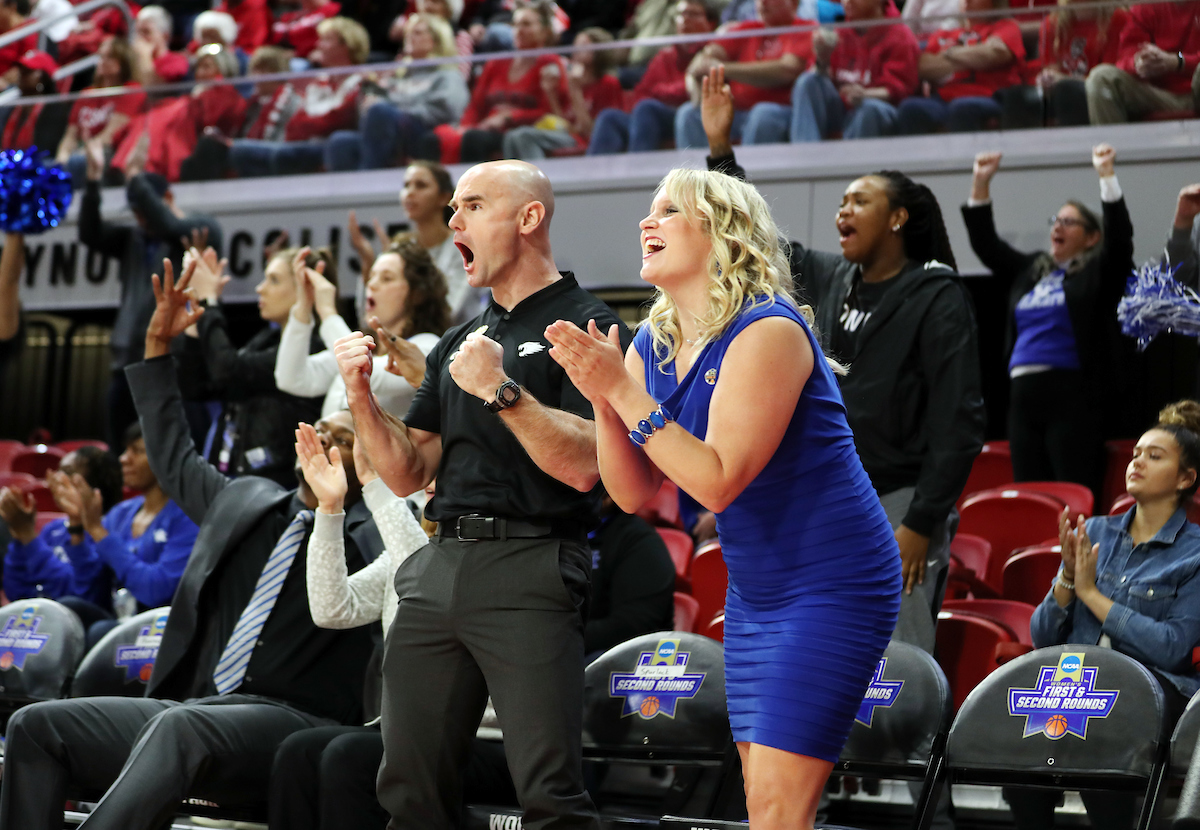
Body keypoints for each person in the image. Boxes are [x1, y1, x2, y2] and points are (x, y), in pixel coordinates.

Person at [544, 166, 901, 830]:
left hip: (835, 579)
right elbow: (629, 493)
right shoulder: (653, 342)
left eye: (668, 211)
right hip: (758, 589)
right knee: (763, 795)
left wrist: (621, 394)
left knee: (777, 805)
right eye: (648, 211)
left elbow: (715, 481)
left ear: (720, 232)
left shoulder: (769, 329)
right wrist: (602, 395)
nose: (647, 222)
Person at [0, 260, 383, 830]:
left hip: (298, 720)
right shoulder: (247, 503)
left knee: (180, 727)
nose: (325, 437)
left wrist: (374, 486)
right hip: (194, 709)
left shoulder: (374, 535)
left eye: (346, 436)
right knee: (34, 726)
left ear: (374, 458)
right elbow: (173, 455)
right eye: (321, 428)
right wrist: (157, 347)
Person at [333, 159, 629, 829]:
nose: (453, 220)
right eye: (453, 208)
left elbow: (590, 465)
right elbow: (409, 471)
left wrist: (501, 392)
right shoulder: (465, 340)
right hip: (441, 564)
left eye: (472, 206)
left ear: (529, 218)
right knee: (407, 787)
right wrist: (360, 399)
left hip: (531, 561)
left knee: (550, 796)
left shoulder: (590, 327)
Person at [701, 68, 985, 656]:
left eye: (860, 200)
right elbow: (755, 239)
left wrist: (921, 521)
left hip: (898, 500)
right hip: (821, 492)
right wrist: (722, 153)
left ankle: (899, 753)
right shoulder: (831, 278)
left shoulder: (937, 294)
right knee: (824, 648)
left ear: (898, 218)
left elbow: (959, 419)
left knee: (895, 655)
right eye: (840, 202)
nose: (843, 211)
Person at [1009, 400, 1200, 830]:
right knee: (1020, 762)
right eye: (1136, 454)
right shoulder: (1094, 532)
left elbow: (1172, 649)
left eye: (1155, 456)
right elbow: (1043, 636)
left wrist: (1092, 594)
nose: (1138, 462)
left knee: (1104, 747)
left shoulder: (1196, 553)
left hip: (1150, 686)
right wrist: (1068, 579)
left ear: (1186, 478)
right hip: (1075, 681)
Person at [962, 145, 1132, 498]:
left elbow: (1119, 241)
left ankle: (1078, 556)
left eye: (1069, 222)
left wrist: (1106, 177)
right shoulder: (1032, 270)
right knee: (1032, 495)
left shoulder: (1095, 272)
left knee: (1073, 493)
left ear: (1090, 237)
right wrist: (980, 182)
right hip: (1022, 397)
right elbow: (987, 245)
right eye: (1056, 220)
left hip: (1072, 396)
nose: (1058, 226)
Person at [79, 153, 223, 451]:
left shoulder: (199, 229)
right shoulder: (134, 239)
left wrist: (134, 178)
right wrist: (93, 183)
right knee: (121, 454)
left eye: (145, 210)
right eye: (136, 212)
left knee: (170, 449)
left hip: (172, 366)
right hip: (126, 364)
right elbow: (90, 233)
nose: (141, 219)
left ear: (167, 198)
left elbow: (168, 224)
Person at [174, 246, 325, 488]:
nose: (260, 288)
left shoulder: (312, 349)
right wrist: (197, 313)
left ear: (304, 290)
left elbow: (228, 370)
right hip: (236, 483)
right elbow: (196, 387)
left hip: (277, 490)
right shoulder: (265, 340)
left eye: (273, 280)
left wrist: (209, 302)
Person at [53, 422, 200, 647]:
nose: (123, 458)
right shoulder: (121, 513)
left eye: (137, 451)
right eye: (125, 450)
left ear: (166, 457)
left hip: (162, 629)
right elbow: (90, 593)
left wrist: (98, 531)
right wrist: (76, 527)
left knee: (102, 631)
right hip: (118, 620)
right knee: (67, 610)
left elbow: (155, 591)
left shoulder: (187, 518)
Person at [274, 237, 449, 417]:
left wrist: (327, 311)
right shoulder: (361, 345)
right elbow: (291, 378)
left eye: (386, 278)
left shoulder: (428, 346)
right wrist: (304, 305)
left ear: (417, 294)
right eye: (371, 277)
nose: (371, 285)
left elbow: (364, 370)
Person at [418, 1, 567, 164]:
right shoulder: (496, 63)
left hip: (519, 132)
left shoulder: (550, 63)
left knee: (475, 139)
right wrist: (466, 126)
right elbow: (476, 105)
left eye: (526, 24)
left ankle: (475, 188)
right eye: (515, 24)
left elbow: (549, 112)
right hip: (485, 127)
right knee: (432, 139)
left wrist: (509, 117)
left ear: (545, 31)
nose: (519, 30)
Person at [324, 12, 469, 171]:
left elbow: (446, 111)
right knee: (340, 141)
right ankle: (348, 193)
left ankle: (370, 180)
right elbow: (372, 113)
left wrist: (395, 110)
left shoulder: (447, 75)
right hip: (387, 131)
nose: (409, 36)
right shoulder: (397, 75)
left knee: (381, 112)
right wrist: (371, 94)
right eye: (408, 32)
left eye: (417, 32)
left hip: (425, 132)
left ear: (436, 39)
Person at [229, 16, 370, 178]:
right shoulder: (317, 83)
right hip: (303, 144)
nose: (318, 45)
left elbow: (339, 120)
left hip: (331, 146)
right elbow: (295, 124)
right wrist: (313, 124)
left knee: (281, 157)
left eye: (326, 40)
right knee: (239, 152)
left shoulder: (362, 82)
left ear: (347, 46)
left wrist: (311, 123)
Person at [348, 161, 481, 324]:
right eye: (406, 185)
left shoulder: (463, 246)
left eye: (421, 185)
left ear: (444, 197)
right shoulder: (399, 249)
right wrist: (369, 264)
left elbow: (449, 313)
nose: (410, 192)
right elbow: (370, 319)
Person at [673, 0, 813, 149]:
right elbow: (702, 61)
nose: (763, 3)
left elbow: (787, 69)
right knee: (689, 113)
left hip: (780, 111)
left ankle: (751, 172)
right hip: (735, 113)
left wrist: (723, 68)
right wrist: (698, 96)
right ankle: (699, 173)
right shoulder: (747, 28)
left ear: (794, 3)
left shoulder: (803, 28)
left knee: (763, 114)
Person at [587, 0, 720, 156]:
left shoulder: (714, 51)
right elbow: (641, 92)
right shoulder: (665, 55)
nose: (685, 19)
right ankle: (593, 178)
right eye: (681, 14)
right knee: (609, 117)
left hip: (689, 116)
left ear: (711, 24)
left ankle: (637, 174)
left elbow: (692, 92)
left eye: (693, 14)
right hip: (651, 117)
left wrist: (658, 92)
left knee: (647, 109)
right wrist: (663, 93)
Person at [1, 446, 123, 611]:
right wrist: (19, 534)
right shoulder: (53, 529)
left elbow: (78, 597)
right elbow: (15, 591)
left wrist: (29, 537)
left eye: (67, 472)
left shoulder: (108, 531)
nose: (55, 479)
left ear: (95, 483)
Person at [780, 0, 919, 143]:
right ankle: (806, 158)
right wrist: (822, 60)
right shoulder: (840, 32)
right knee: (807, 81)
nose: (847, 2)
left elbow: (900, 90)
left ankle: (851, 164)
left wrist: (866, 94)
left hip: (877, 109)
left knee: (869, 109)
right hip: (841, 109)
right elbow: (817, 85)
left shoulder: (900, 35)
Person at [896, 0, 1026, 134]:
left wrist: (949, 53)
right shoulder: (945, 33)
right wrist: (974, 56)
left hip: (989, 96)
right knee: (910, 108)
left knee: (962, 107)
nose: (967, 1)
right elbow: (924, 67)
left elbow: (995, 54)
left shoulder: (1006, 27)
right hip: (943, 100)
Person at [998, 0, 1127, 128]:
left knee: (1066, 90)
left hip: (1095, 91)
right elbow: (1051, 67)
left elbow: (1106, 77)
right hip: (1060, 90)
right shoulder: (1053, 22)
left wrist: (1062, 80)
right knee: (1014, 97)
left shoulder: (1117, 18)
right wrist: (1046, 79)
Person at [501, 26, 622, 160]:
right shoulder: (574, 81)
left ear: (598, 51)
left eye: (583, 45)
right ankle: (514, 180)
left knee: (523, 136)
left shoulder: (608, 84)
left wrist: (575, 92)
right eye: (575, 44)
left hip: (585, 141)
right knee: (511, 137)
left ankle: (538, 180)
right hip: (568, 135)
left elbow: (591, 132)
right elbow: (564, 124)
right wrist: (550, 93)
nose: (576, 50)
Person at [1085, 0, 1200, 124]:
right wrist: (1140, 61)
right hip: (1158, 95)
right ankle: (1112, 143)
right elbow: (1126, 54)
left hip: (1195, 92)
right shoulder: (1147, 6)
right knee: (1101, 78)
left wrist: (1178, 61)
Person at [56, 36, 145, 188]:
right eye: (101, 56)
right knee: (49, 168)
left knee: (78, 164)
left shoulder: (131, 91)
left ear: (123, 62)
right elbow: (70, 135)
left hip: (109, 152)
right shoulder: (87, 94)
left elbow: (110, 135)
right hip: (81, 152)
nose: (102, 61)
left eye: (109, 57)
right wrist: (61, 159)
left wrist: (82, 154)